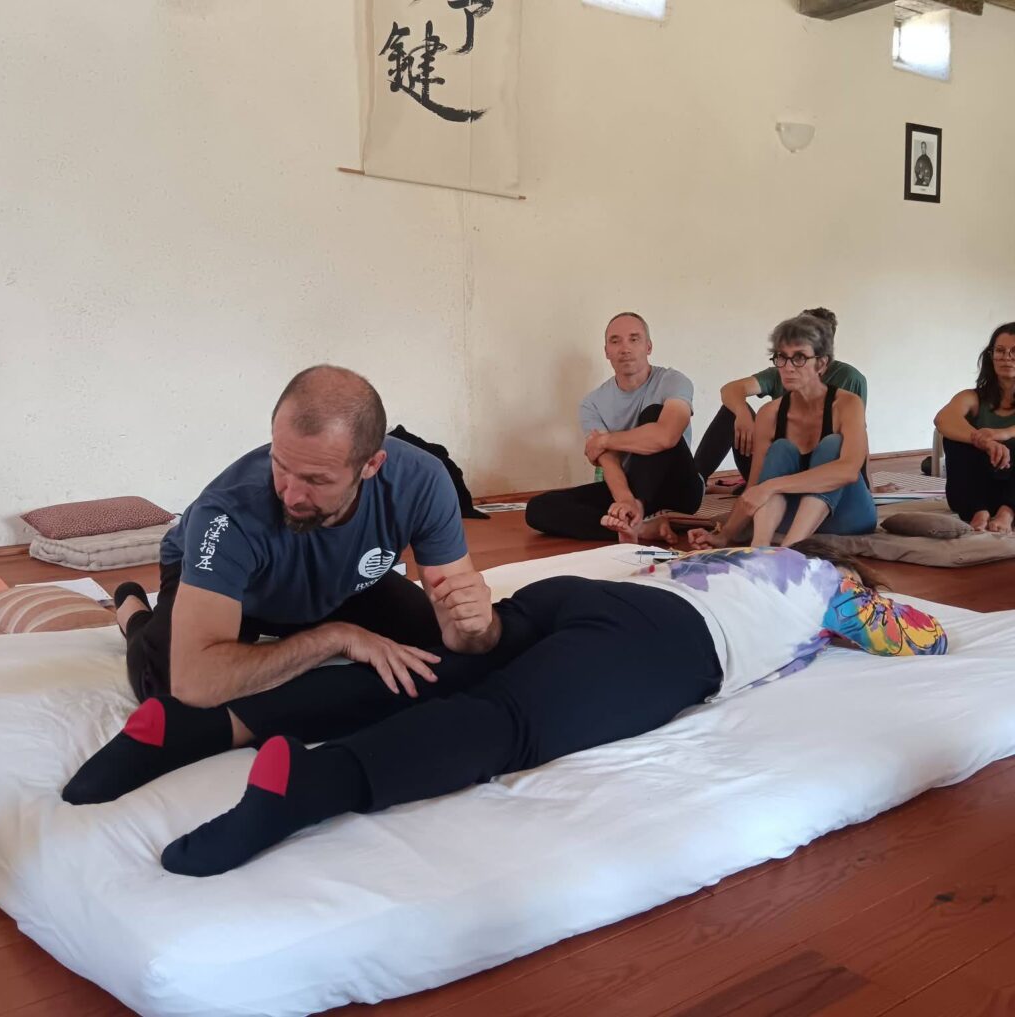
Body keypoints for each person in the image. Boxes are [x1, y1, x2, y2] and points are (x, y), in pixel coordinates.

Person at [126, 542, 945, 877]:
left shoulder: (726, 557)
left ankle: (210, 723)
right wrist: (858, 597)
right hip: (668, 644)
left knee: (441, 668)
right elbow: (924, 636)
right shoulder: (832, 587)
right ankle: (310, 786)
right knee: (505, 723)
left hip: (582, 595)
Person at [62, 366, 494, 805]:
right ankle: (134, 614)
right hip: (242, 591)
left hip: (342, 582)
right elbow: (196, 682)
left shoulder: (421, 480)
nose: (291, 495)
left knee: (434, 656)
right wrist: (334, 639)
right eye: (281, 465)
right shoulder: (227, 513)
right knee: (169, 686)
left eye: (317, 480)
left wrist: (478, 624)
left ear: (371, 465)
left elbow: (464, 635)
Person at [688, 314, 875, 552]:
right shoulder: (770, 414)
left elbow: (847, 471)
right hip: (791, 516)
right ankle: (760, 549)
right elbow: (755, 486)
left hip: (848, 517)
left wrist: (771, 486)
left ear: (821, 364)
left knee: (832, 445)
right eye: (781, 357)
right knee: (781, 449)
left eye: (799, 358)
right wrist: (723, 536)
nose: (787, 368)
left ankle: (788, 551)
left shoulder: (847, 404)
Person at [525, 311, 704, 542]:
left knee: (653, 414)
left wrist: (605, 440)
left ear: (648, 347)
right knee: (539, 508)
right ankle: (641, 528)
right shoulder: (592, 403)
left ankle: (638, 513)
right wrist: (626, 500)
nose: (625, 348)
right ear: (606, 351)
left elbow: (666, 436)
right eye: (615, 341)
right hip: (628, 486)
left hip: (680, 490)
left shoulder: (673, 381)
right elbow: (608, 460)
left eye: (634, 339)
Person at [694, 308, 868, 484]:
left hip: (822, 471)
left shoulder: (849, 379)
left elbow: (859, 437)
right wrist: (742, 413)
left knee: (832, 444)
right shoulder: (781, 372)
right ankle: (694, 483)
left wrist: (867, 486)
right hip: (776, 465)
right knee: (734, 415)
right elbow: (731, 389)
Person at [934, 323, 1015, 533]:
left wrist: (1001, 434)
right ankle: (979, 511)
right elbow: (943, 419)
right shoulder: (972, 397)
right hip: (977, 490)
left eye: (1014, 351)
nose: (1007, 357)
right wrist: (985, 442)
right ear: (991, 356)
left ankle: (1007, 513)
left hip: (1011, 490)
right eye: (1000, 351)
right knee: (954, 439)